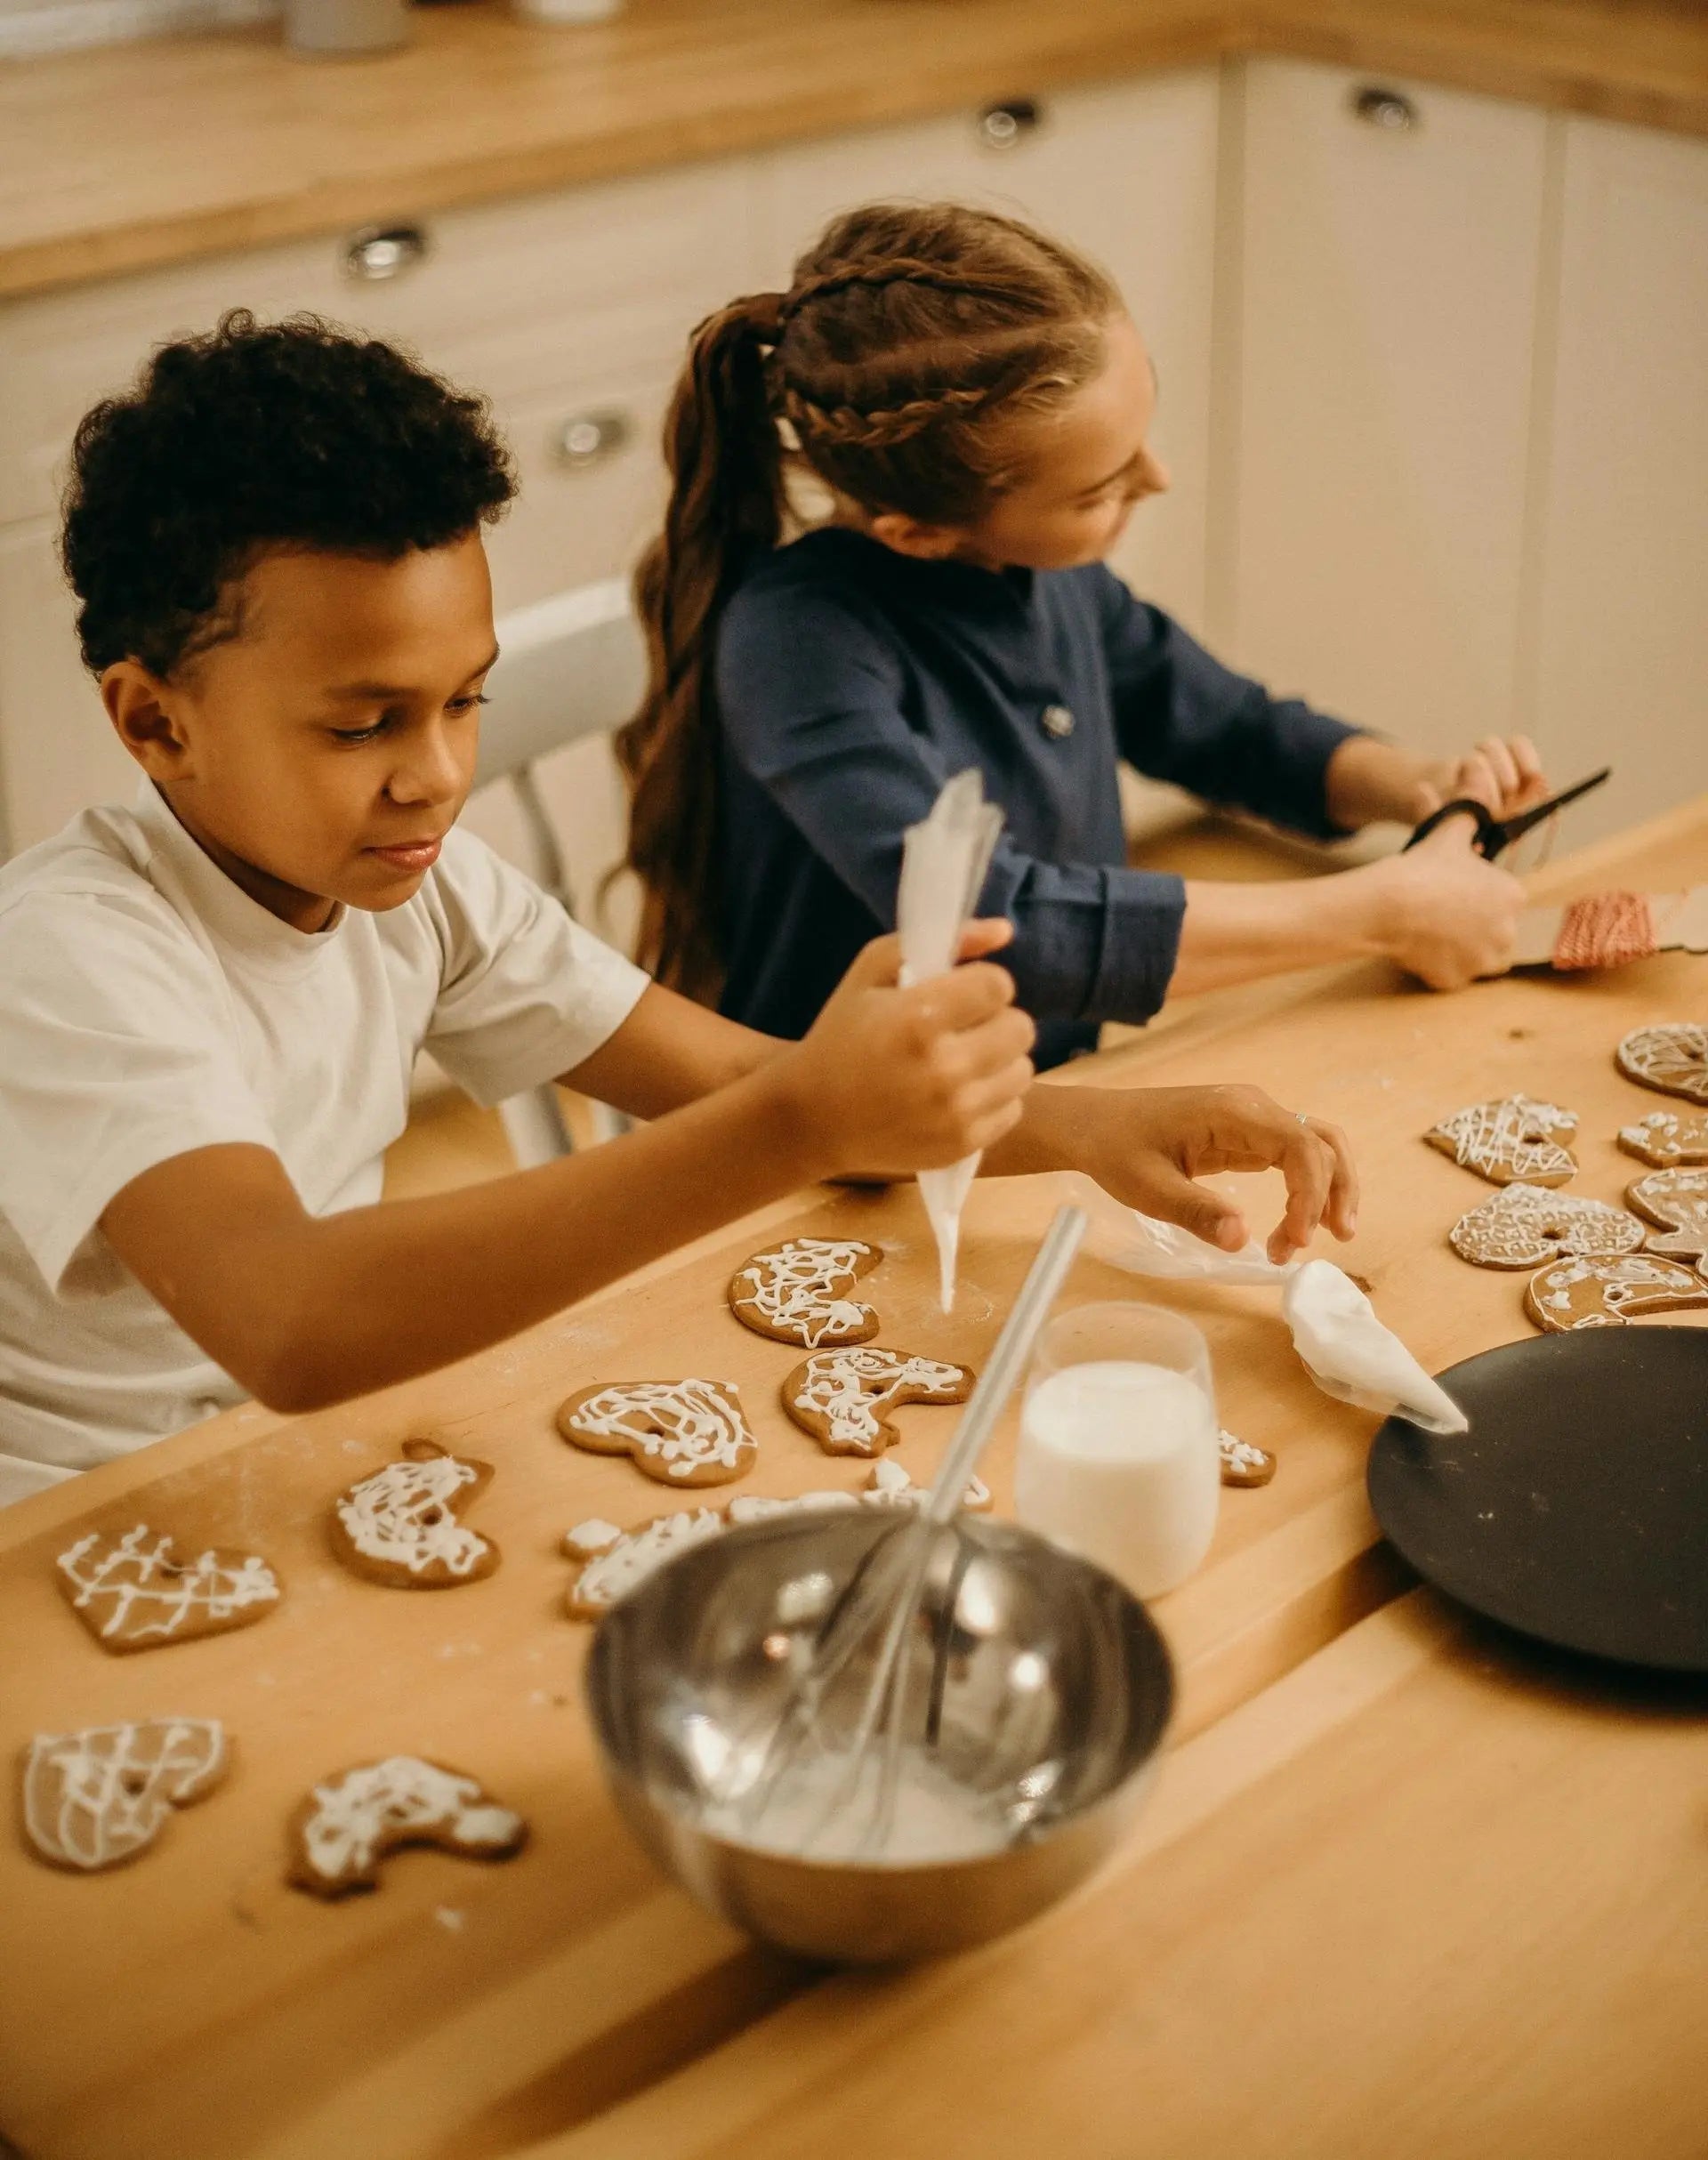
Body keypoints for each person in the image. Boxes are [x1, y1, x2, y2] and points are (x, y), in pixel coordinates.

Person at [0, 312, 1355, 1504]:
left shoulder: (430, 894)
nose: (437, 776)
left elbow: (731, 1078)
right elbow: (289, 1320)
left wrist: (1094, 1126)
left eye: (466, 700)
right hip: (72, 1522)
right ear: (154, 722)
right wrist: (797, 1121)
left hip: (291, 1465)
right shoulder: (70, 955)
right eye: (364, 725)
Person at [617, 200, 1546, 1069]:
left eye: (1141, 436)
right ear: (920, 532)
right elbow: (994, 926)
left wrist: (1417, 784)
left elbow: (1231, 728)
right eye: (1099, 488)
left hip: (1047, 1094)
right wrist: (1378, 910)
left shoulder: (1055, 582)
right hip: (848, 1151)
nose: (1161, 477)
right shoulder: (797, 645)